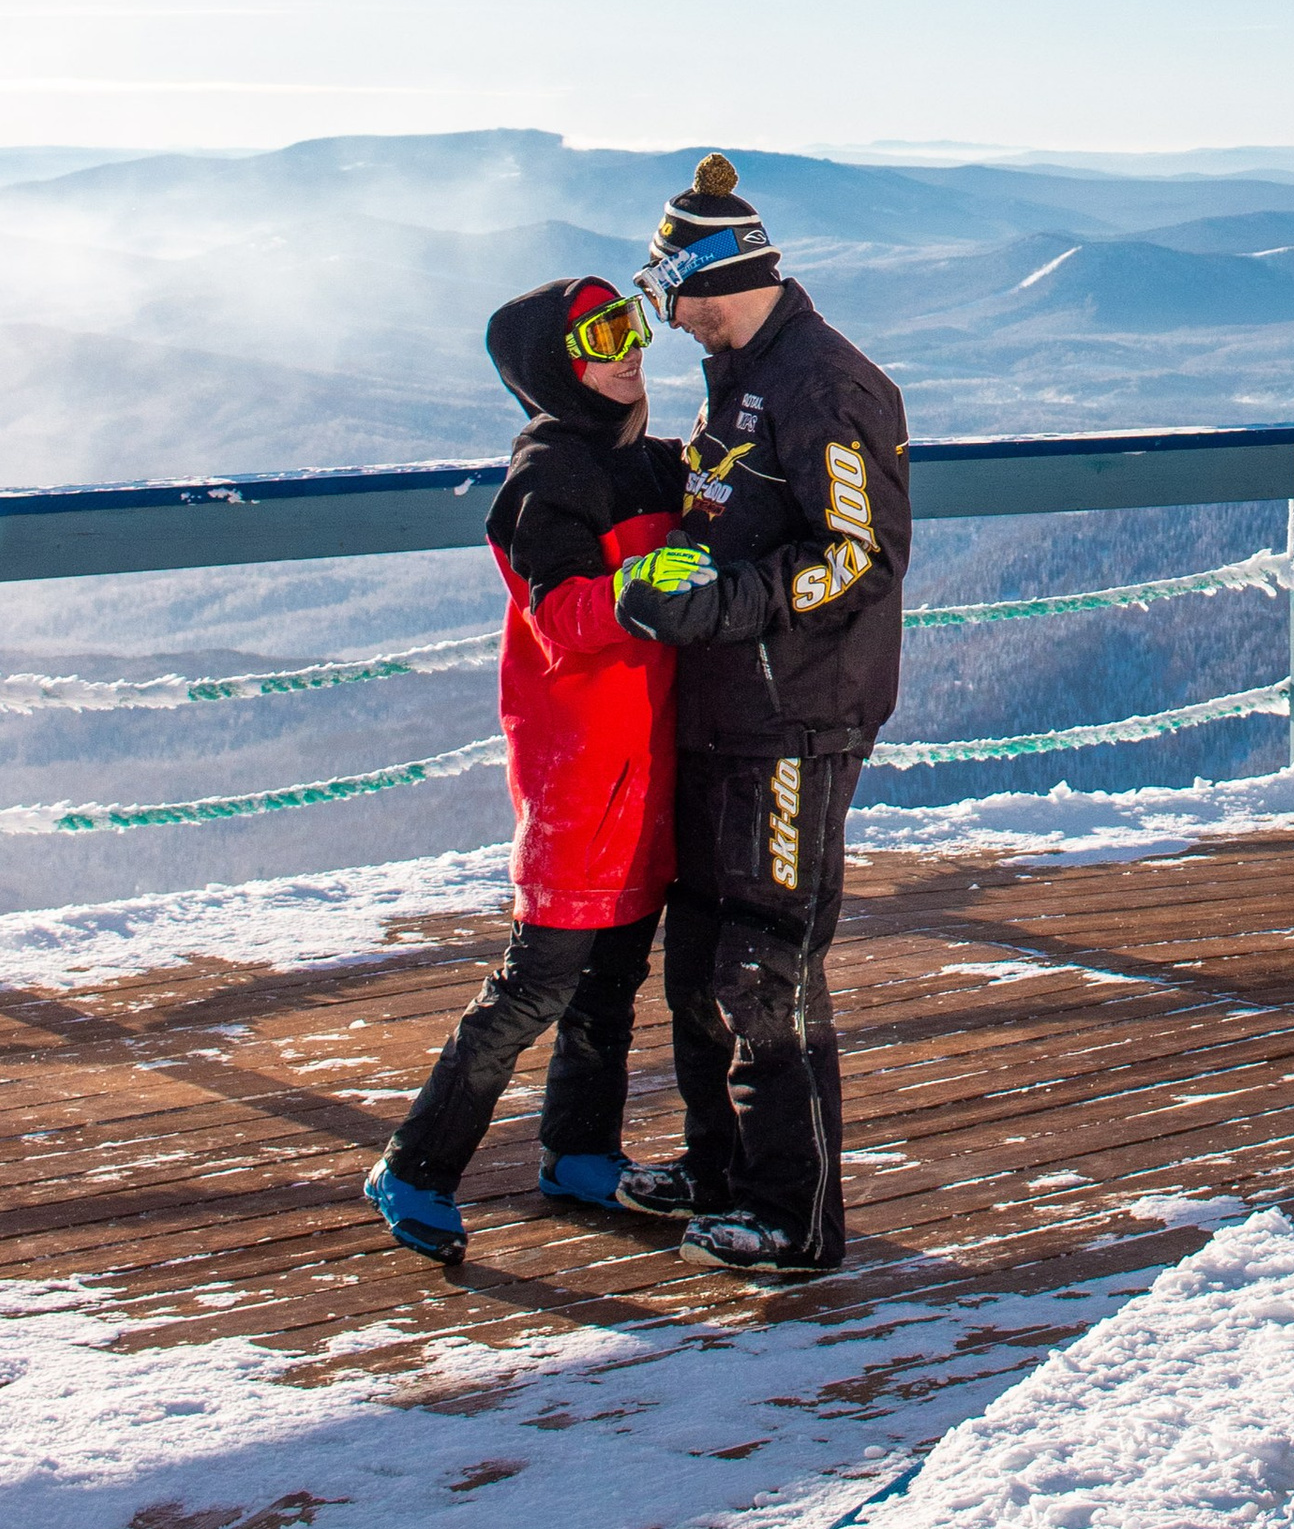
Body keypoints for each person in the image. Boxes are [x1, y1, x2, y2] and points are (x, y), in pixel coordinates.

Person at [605, 155, 909, 1280]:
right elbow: (732, 504)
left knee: (765, 969)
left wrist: (724, 603)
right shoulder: (741, 375)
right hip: (722, 711)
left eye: (663, 297)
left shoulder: (828, 386)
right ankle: (720, 1168)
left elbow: (859, 557)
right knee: (697, 963)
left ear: (706, 281)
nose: (662, 321)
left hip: (794, 723)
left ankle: (798, 1214)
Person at [364, 275, 684, 1269]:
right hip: (580, 771)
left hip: (647, 762)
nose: (626, 350)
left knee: (613, 981)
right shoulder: (550, 472)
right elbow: (562, 617)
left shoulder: (643, 460)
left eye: (630, 326)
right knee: (537, 982)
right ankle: (414, 1166)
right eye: (599, 335)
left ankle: (580, 1153)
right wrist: (635, 582)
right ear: (555, 365)